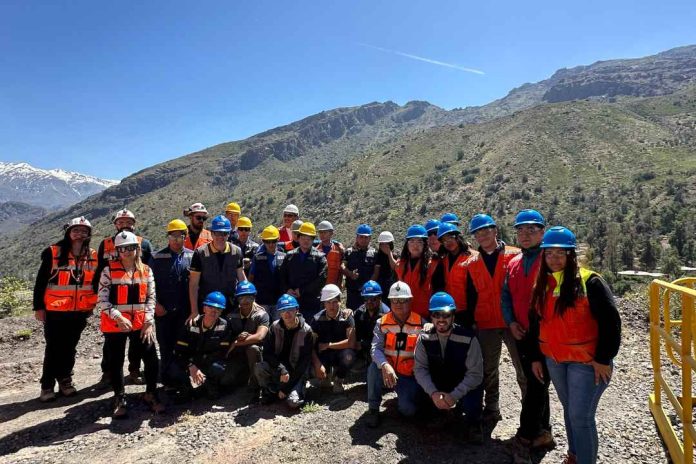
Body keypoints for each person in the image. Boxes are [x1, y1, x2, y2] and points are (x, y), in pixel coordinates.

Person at [528, 226, 621, 464]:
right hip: (556, 361)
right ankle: (574, 456)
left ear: (571, 255)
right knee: (570, 411)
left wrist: (603, 359)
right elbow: (536, 323)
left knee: (580, 417)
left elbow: (611, 323)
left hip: (587, 362)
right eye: (549, 253)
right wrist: (536, 358)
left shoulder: (591, 282)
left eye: (561, 253)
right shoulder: (542, 285)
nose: (555, 259)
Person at [500, 210, 554, 462]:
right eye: (521, 230)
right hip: (521, 333)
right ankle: (544, 432)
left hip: (546, 335)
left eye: (531, 229)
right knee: (537, 384)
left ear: (542, 232)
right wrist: (510, 322)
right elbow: (506, 296)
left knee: (535, 385)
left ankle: (525, 436)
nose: (525, 234)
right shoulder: (514, 262)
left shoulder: (550, 259)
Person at [465, 213, 524, 424]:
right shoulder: (471, 263)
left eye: (486, 230)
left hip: (514, 323)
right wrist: (472, 321)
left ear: (495, 230)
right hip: (486, 323)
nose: (482, 235)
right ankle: (492, 408)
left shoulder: (516, 255)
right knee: (489, 369)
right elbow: (471, 295)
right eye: (478, 232)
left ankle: (531, 412)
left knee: (522, 369)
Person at [96, 231, 163, 418]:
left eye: (131, 247)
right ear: (117, 250)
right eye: (122, 248)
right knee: (115, 360)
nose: (126, 251)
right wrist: (118, 316)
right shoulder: (108, 271)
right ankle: (119, 397)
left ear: (137, 249)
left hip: (141, 322)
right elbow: (102, 300)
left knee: (150, 358)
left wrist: (149, 321)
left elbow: (151, 298)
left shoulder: (147, 271)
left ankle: (151, 393)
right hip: (115, 324)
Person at [33, 217, 98, 402]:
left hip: (79, 311)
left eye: (84, 231)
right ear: (68, 232)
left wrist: (91, 305)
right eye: (76, 230)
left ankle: (65, 381)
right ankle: (47, 386)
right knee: (54, 348)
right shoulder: (53, 252)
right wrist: (38, 307)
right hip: (55, 311)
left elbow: (93, 283)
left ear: (88, 234)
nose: (80, 234)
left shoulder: (92, 255)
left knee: (70, 348)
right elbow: (40, 282)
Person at [94, 208, 154, 386]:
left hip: (137, 299)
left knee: (137, 343)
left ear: (134, 224)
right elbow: (100, 270)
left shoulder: (144, 244)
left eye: (128, 222)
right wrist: (98, 296)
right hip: (113, 301)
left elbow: (149, 272)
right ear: (115, 224)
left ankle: (134, 370)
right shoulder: (105, 244)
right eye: (121, 222)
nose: (125, 225)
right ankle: (108, 374)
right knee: (111, 345)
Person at [414, 292, 484, 442]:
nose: (440, 319)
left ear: (453, 316)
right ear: (431, 316)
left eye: (445, 314)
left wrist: (454, 396)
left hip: (462, 383)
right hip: (439, 383)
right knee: (418, 398)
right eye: (436, 314)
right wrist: (433, 393)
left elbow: (475, 375)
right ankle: (440, 414)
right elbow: (420, 369)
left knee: (473, 400)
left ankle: (474, 424)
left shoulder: (469, 338)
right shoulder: (424, 338)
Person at [366, 281, 426, 428]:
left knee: (408, 411)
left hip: (409, 376)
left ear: (410, 301)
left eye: (402, 300)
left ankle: (403, 399)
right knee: (374, 368)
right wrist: (385, 365)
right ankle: (373, 409)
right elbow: (375, 348)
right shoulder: (382, 322)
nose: (398, 304)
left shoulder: (421, 323)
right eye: (394, 300)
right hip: (388, 371)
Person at [149, 219, 193, 389]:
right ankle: (167, 382)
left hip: (184, 311)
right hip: (163, 312)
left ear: (185, 236)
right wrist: (156, 305)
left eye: (180, 236)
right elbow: (149, 284)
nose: (176, 239)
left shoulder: (192, 255)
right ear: (168, 237)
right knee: (166, 346)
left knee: (183, 346)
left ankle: (182, 380)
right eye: (173, 236)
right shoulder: (157, 256)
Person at [169, 291, 234, 401]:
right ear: (204, 308)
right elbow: (179, 351)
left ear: (221, 311)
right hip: (191, 360)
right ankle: (186, 389)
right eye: (211, 307)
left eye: (218, 309)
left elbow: (222, 352)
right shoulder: (191, 324)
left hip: (209, 361)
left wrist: (203, 368)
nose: (214, 311)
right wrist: (191, 366)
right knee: (172, 370)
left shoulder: (224, 326)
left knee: (219, 368)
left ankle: (210, 385)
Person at [255, 294, 314, 408]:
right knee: (259, 367)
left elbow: (304, 363)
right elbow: (267, 353)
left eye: (290, 310)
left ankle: (291, 390)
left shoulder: (306, 331)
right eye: (283, 310)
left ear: (297, 310)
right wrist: (281, 369)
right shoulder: (274, 327)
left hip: (296, 371)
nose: (287, 314)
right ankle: (270, 392)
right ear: (279, 312)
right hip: (278, 369)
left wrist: (287, 389)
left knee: (293, 403)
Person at [188, 215, 246, 318]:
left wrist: (249, 300)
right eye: (217, 233)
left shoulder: (236, 251)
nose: (220, 237)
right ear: (211, 233)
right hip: (208, 307)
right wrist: (194, 311)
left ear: (229, 234)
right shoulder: (200, 253)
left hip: (230, 306)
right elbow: (193, 284)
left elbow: (241, 277)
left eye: (224, 233)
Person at [225, 281, 270, 399]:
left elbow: (260, 336)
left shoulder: (262, 314)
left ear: (254, 297)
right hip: (238, 354)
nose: (245, 301)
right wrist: (236, 339)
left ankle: (256, 387)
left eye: (249, 297)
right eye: (241, 297)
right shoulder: (231, 316)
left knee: (253, 349)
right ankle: (243, 377)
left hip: (256, 353)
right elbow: (227, 338)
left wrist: (238, 342)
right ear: (237, 299)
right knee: (226, 381)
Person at [311, 284, 356, 393]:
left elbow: (351, 343)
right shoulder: (316, 319)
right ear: (324, 304)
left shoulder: (347, 317)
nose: (332, 306)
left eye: (335, 302)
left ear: (340, 302)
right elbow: (310, 346)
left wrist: (328, 345)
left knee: (349, 356)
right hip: (324, 354)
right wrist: (317, 365)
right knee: (312, 367)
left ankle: (338, 380)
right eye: (328, 302)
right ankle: (325, 376)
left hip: (341, 353)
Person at [279, 222, 328, 321]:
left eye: (309, 239)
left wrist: (301, 291)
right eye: (303, 238)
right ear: (298, 238)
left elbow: (321, 280)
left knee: (311, 332)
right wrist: (287, 289)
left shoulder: (320, 258)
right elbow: (281, 276)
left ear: (313, 239)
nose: (306, 241)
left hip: (312, 302)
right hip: (292, 302)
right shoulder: (289, 256)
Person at [431, 222, 476, 327]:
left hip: (468, 312)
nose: (448, 242)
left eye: (450, 237)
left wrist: (473, 316)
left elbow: (475, 290)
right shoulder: (444, 260)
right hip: (450, 311)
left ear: (458, 237)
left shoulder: (473, 257)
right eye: (444, 240)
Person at [394, 225, 435, 318]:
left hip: (425, 315)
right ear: (407, 244)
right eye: (412, 241)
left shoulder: (433, 264)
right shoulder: (400, 265)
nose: (415, 245)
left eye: (419, 241)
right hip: (405, 314)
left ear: (425, 244)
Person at [249, 225, 286, 321]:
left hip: (279, 300)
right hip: (262, 301)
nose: (270, 244)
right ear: (263, 241)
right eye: (267, 241)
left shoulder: (284, 257)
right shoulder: (257, 258)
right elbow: (251, 278)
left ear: (278, 239)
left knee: (278, 327)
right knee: (262, 325)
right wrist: (251, 297)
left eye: (273, 241)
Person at [342, 224, 378, 310]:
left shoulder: (374, 253)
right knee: (352, 314)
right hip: (353, 292)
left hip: (369, 293)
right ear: (357, 237)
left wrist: (369, 286)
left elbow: (376, 272)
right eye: (361, 237)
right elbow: (342, 266)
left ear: (370, 238)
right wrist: (350, 274)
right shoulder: (349, 252)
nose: (363, 240)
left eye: (366, 237)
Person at [353, 280, 390, 363]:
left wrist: (363, 344)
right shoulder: (359, 312)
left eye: (373, 299)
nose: (369, 302)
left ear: (380, 298)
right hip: (364, 346)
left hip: (380, 348)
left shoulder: (386, 315)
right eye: (366, 298)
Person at [316, 220, 345, 288]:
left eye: (325, 232)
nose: (322, 235)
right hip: (319, 288)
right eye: (320, 232)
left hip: (335, 287)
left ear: (331, 233)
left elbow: (341, 269)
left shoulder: (339, 249)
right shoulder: (315, 250)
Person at [374, 231, 396, 305]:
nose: (384, 246)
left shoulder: (396, 254)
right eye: (382, 244)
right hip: (381, 286)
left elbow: (394, 267)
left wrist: (389, 254)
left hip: (393, 285)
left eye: (386, 243)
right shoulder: (378, 256)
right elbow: (376, 273)